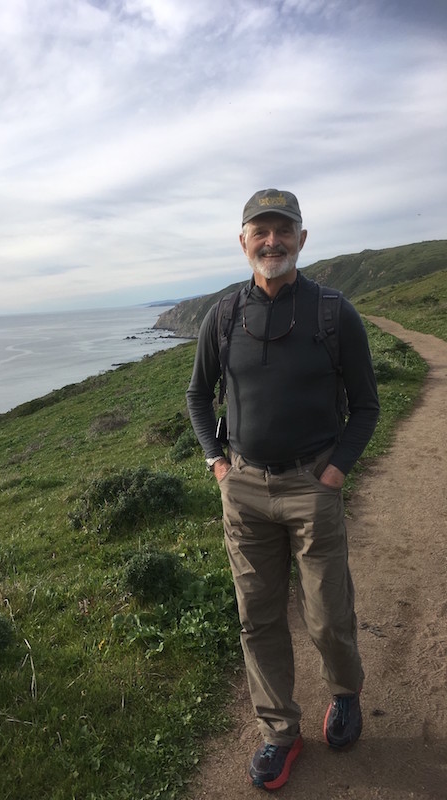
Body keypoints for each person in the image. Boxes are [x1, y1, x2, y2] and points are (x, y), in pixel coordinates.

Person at [186, 189, 380, 790]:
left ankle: (345, 694)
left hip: (311, 484)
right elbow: (198, 397)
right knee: (258, 617)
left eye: (283, 231)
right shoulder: (222, 317)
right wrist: (218, 464)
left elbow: (368, 405)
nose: (272, 242)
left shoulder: (332, 311)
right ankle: (279, 732)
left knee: (327, 614)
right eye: (260, 231)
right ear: (243, 241)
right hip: (242, 489)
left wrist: (335, 472)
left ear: (301, 238)